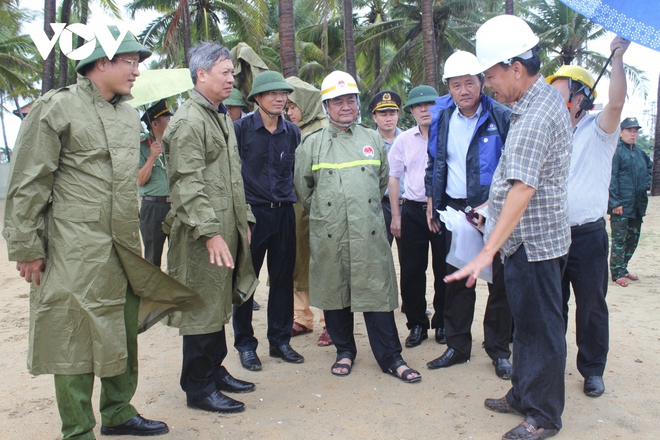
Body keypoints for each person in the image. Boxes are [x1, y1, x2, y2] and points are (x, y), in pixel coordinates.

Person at [3, 27, 177, 439]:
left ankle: (118, 412)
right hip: (72, 246)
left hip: (121, 244)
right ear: (102, 63)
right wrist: (26, 246)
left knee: (121, 328)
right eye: (130, 62)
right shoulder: (55, 108)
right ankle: (78, 428)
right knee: (73, 335)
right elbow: (28, 182)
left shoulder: (126, 114)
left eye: (138, 63)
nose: (137, 71)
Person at [446, 15, 572, 440]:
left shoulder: (535, 115)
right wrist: (488, 207)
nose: (489, 85)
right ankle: (522, 392)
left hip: (533, 244)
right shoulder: (532, 103)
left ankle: (543, 416)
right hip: (524, 243)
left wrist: (485, 250)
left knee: (540, 330)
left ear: (515, 67)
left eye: (490, 75)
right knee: (526, 323)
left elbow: (522, 188)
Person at [294, 70, 421, 383]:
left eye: (350, 98)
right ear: (326, 106)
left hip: (368, 232)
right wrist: (330, 213)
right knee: (336, 293)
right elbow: (303, 189)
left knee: (375, 293)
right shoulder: (311, 145)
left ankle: (391, 357)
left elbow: (380, 183)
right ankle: (344, 350)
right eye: (337, 101)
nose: (345, 105)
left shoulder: (372, 139)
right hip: (330, 232)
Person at [163, 41, 259, 413]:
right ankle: (198, 387)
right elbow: (187, 183)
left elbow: (232, 177)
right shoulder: (189, 120)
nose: (231, 79)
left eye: (232, 72)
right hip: (202, 234)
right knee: (202, 305)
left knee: (219, 302)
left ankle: (215, 370)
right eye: (225, 72)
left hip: (224, 227)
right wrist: (211, 232)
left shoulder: (218, 115)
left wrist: (243, 221)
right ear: (201, 74)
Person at [547, 36, 630, 398]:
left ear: (581, 96)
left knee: (591, 306)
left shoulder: (600, 130)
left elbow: (616, 102)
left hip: (588, 236)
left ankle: (592, 369)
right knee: (552, 307)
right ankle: (550, 367)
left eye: (561, 93)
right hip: (551, 234)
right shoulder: (549, 131)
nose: (554, 100)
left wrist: (617, 58)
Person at [425, 50, 513, 379]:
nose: (464, 90)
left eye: (470, 83)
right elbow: (436, 162)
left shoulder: (501, 116)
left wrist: (492, 206)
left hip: (494, 210)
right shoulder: (442, 118)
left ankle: (499, 350)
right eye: (456, 84)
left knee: (499, 283)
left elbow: (513, 165)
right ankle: (458, 346)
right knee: (459, 279)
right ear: (448, 88)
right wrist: (433, 200)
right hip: (455, 210)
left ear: (481, 83)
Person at [232, 71, 304, 371]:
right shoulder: (240, 130)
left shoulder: (293, 132)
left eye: (283, 93)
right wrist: (242, 218)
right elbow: (232, 174)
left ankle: (280, 340)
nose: (279, 98)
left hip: (284, 212)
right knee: (246, 282)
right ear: (257, 98)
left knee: (283, 279)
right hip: (253, 215)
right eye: (272, 93)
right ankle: (246, 345)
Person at [388, 85, 446, 349]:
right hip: (413, 210)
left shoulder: (448, 134)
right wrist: (396, 215)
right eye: (418, 106)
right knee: (412, 270)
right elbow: (394, 178)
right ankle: (417, 325)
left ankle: (443, 323)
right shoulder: (404, 140)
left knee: (444, 270)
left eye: (430, 104)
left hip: (444, 211)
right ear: (411, 111)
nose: (425, 109)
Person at [284, 76, 333, 347]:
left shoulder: (325, 129)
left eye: (293, 105)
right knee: (298, 260)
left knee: (323, 261)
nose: (289, 111)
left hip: (319, 204)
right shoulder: (287, 128)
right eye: (286, 106)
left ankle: (330, 321)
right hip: (294, 205)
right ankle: (301, 317)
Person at [608, 116, 652, 286]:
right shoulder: (616, 151)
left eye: (635, 131)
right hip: (621, 205)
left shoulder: (640, 153)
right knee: (620, 240)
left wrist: (646, 184)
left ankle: (624, 267)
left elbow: (649, 168)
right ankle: (617, 272)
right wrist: (615, 203)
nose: (633, 134)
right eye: (629, 130)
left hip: (638, 205)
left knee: (633, 239)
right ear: (621, 132)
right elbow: (611, 178)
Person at [138, 99, 172, 268]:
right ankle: (151, 295)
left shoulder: (172, 143)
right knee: (152, 257)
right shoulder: (142, 146)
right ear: (155, 123)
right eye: (166, 117)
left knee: (178, 255)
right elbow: (140, 180)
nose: (170, 120)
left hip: (174, 206)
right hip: (152, 208)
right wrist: (152, 156)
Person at [368, 90, 404, 246]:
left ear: (398, 114)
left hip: (407, 205)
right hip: (380, 206)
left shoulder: (409, 139)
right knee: (379, 257)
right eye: (383, 114)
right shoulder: (367, 143)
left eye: (392, 113)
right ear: (374, 117)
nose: (389, 118)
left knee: (411, 262)